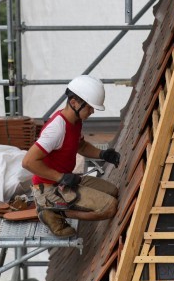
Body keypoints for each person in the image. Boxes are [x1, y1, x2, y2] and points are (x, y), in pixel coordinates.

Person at [22, 75, 121, 237]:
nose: (92, 111)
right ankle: (53, 212)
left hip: (64, 181)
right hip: (48, 188)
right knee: (110, 207)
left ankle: (59, 207)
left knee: (113, 191)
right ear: (74, 103)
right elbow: (28, 162)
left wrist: (103, 154)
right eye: (89, 107)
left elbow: (80, 145)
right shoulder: (57, 129)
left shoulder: (75, 121)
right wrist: (60, 177)